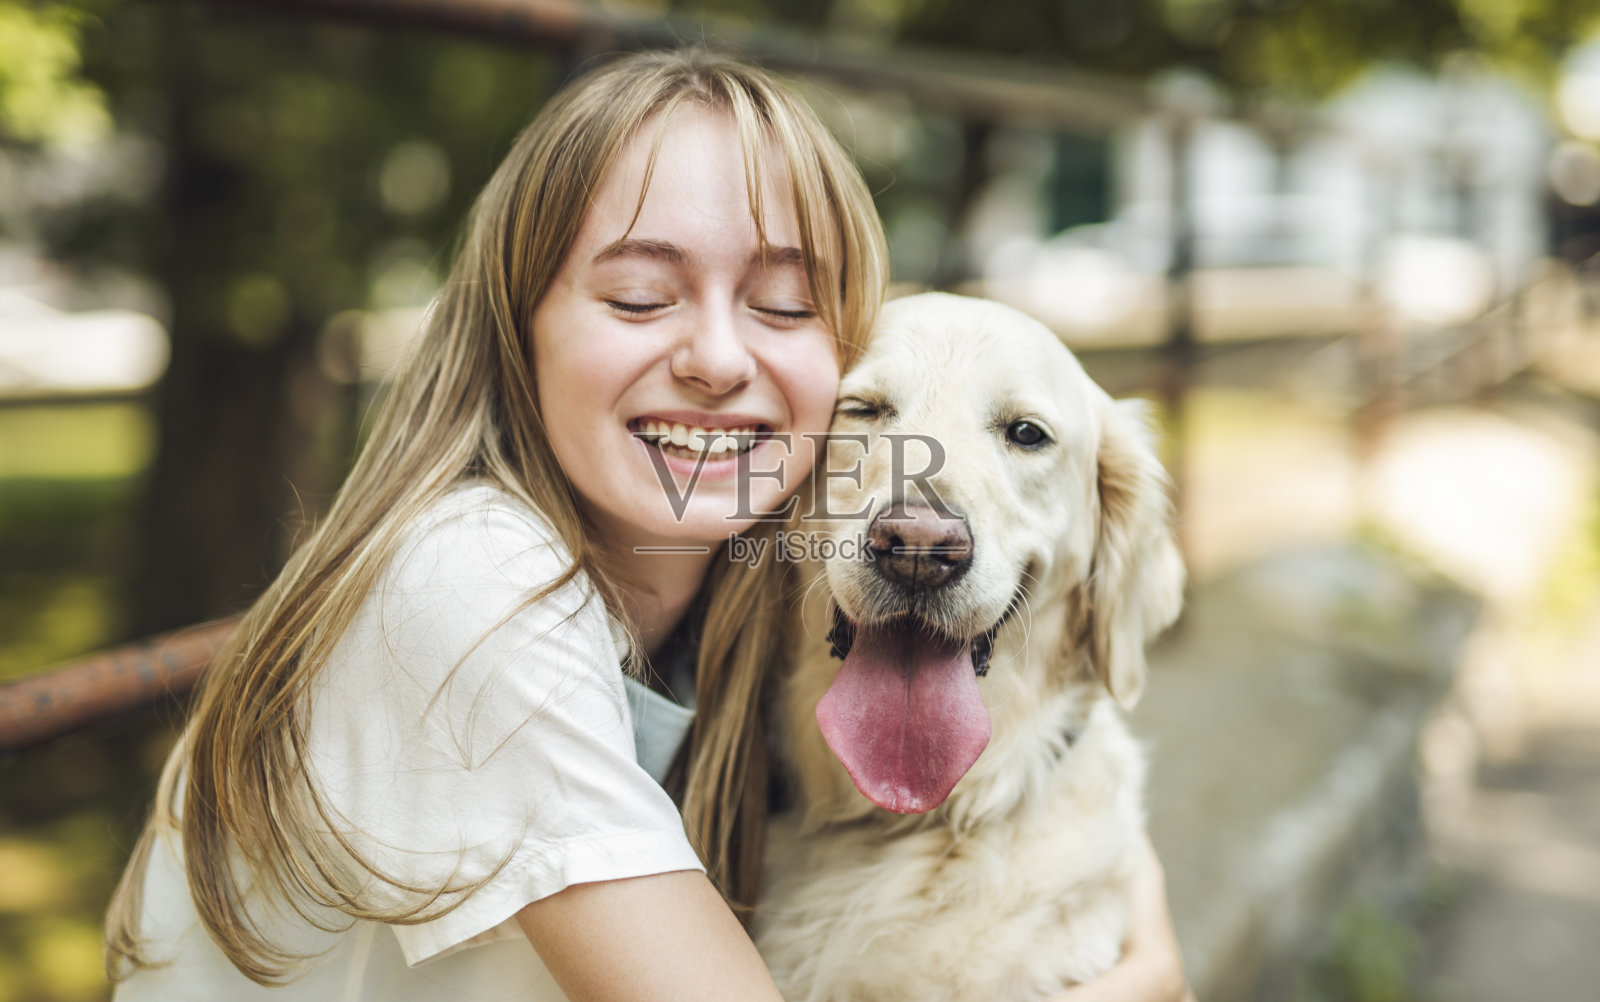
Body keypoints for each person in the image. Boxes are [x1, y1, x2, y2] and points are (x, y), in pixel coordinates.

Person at [104, 48, 1192, 1002]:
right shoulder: (469, 590)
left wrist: (1109, 843)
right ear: (515, 330)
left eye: (779, 305)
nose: (719, 359)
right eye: (635, 298)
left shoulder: (727, 581)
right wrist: (1145, 984)